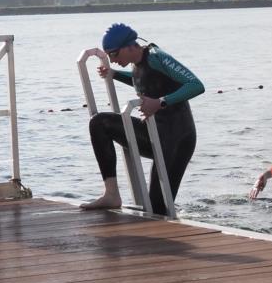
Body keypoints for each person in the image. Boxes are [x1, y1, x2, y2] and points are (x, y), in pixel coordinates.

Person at [81, 23, 204, 215]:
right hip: (154, 133)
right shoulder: (137, 63)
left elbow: (196, 85)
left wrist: (161, 102)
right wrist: (114, 75)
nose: (112, 60)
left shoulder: (157, 57)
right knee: (99, 123)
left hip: (178, 139)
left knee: (158, 208)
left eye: (114, 54)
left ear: (129, 46)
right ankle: (111, 194)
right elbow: (144, 79)